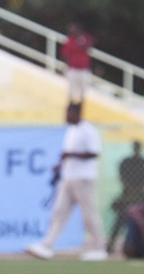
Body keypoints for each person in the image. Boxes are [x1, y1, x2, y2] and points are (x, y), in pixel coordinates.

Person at [26, 102, 107, 261]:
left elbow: (94, 153)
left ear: (77, 113)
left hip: (84, 178)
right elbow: (67, 154)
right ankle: (47, 245)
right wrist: (60, 165)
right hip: (68, 177)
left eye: (69, 112)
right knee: (59, 211)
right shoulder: (72, 130)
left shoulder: (87, 130)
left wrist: (71, 155)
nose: (66, 116)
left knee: (89, 214)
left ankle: (99, 248)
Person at [106, 140, 144, 253]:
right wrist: (130, 188)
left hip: (140, 195)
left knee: (141, 222)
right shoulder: (126, 162)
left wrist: (138, 189)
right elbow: (122, 176)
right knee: (120, 220)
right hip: (127, 194)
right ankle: (110, 245)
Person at [60, 22, 93, 102]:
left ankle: (80, 106)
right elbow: (65, 54)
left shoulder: (85, 38)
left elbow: (88, 49)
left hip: (84, 69)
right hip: (73, 69)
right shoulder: (69, 40)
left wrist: (81, 41)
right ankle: (71, 105)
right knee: (71, 90)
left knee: (83, 91)